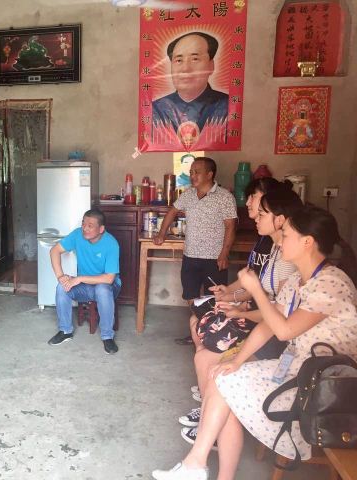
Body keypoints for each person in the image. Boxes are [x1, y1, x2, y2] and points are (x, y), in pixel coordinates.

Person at [152, 206, 357, 480]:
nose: (280, 242)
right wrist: (236, 362)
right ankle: (199, 466)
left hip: (325, 385)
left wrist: (255, 290)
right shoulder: (299, 279)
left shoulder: (330, 283)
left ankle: (197, 466)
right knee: (222, 375)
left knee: (224, 385)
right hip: (300, 369)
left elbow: (283, 330)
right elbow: (268, 324)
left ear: (307, 242)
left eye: (286, 235)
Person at [178, 186, 301, 443]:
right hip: (261, 318)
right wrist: (232, 297)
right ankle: (208, 406)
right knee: (199, 322)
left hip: (274, 335)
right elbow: (260, 291)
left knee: (205, 354)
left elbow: (276, 314)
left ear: (280, 219)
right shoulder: (273, 247)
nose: (250, 207)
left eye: (259, 206)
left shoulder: (288, 258)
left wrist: (238, 308)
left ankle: (210, 416)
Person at [154, 157, 237, 346]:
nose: (192, 176)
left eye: (197, 172)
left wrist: (224, 254)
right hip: (190, 255)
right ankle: (201, 330)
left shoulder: (224, 197)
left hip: (214, 258)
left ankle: (215, 336)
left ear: (210, 174)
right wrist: (161, 234)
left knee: (215, 298)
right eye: (191, 172)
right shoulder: (189, 195)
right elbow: (172, 212)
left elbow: (231, 227)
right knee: (190, 295)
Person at [47, 209, 121, 355]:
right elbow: (54, 250)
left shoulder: (111, 244)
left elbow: (109, 278)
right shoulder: (77, 235)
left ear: (101, 229)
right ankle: (65, 331)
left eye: (90, 226)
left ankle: (107, 336)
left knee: (102, 289)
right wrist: (61, 276)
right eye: (83, 224)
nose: (85, 228)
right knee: (62, 287)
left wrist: (79, 278)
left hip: (109, 287)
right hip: (86, 287)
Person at [152, 32, 229, 135]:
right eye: (179, 60)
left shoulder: (228, 106)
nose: (185, 68)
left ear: (211, 66)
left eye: (195, 59)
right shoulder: (156, 109)